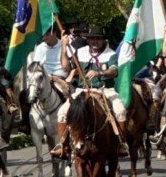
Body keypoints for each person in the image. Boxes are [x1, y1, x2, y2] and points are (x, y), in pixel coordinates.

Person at [51, 26, 130, 158]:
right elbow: (66, 67)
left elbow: (114, 71)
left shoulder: (110, 54)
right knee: (62, 112)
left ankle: (121, 143)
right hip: (82, 90)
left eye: (98, 39)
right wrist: (64, 48)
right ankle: (62, 145)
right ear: (87, 40)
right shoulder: (80, 52)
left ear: (103, 40)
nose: (94, 41)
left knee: (120, 110)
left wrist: (99, 73)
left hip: (104, 90)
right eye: (92, 38)